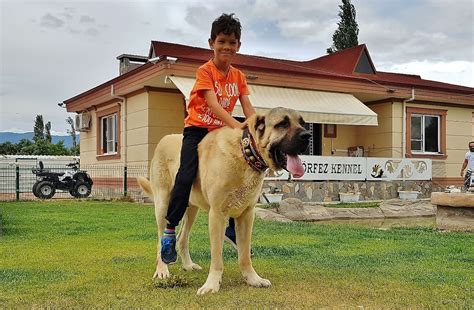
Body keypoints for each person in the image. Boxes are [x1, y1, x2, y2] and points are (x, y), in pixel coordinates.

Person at [161, 13, 256, 264]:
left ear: (239, 46)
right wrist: (238, 126)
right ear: (211, 42)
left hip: (221, 133)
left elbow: (248, 106)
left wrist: (256, 127)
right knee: (185, 175)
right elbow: (213, 105)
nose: (227, 47)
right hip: (197, 130)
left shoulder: (239, 77)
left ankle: (233, 229)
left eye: (232, 42)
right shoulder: (205, 71)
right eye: (222, 41)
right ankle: (170, 230)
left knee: (241, 172)